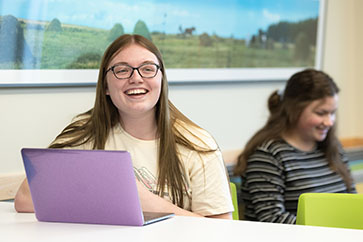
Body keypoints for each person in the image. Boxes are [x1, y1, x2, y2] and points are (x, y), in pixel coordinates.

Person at [15, 34, 233, 219]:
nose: (136, 78)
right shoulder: (84, 134)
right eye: (121, 70)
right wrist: (114, 198)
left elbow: (222, 232)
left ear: (161, 80)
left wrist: (148, 203)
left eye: (147, 69)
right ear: (106, 86)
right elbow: (24, 199)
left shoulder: (198, 145)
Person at [234, 68, 356, 224]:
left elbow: (351, 200)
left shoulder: (332, 147)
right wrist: (332, 229)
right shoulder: (268, 156)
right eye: (321, 113)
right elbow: (273, 219)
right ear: (295, 109)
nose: (329, 122)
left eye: (332, 113)